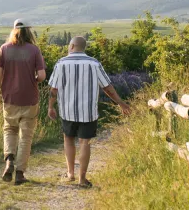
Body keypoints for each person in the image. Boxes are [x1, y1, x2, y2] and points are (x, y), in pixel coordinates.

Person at [47, 36, 131, 188]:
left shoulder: (61, 63)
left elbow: (54, 89)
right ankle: (82, 179)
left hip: (67, 110)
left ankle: (70, 173)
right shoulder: (94, 63)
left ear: (71, 46)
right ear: (83, 47)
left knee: (68, 139)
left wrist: (50, 107)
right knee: (85, 142)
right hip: (88, 111)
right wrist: (121, 103)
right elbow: (107, 87)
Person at [0, 19, 46, 185]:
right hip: (30, 99)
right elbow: (42, 76)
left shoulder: (4, 49)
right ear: (29, 31)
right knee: (26, 137)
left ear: (13, 31)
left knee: (9, 129)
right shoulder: (34, 50)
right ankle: (20, 173)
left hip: (10, 98)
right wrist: (33, 79)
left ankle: (9, 159)